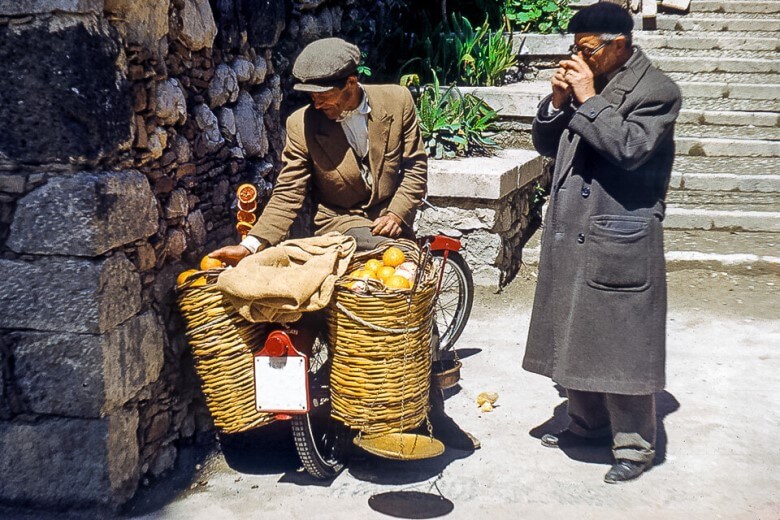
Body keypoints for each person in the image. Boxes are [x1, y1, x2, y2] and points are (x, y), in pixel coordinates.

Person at [211, 37, 479, 451]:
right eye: (310, 96)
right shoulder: (302, 124)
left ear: (351, 82)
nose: (317, 104)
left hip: (391, 221)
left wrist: (399, 212)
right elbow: (288, 192)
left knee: (412, 299)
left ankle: (435, 413)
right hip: (339, 224)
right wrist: (251, 245)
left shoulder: (397, 101)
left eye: (324, 95)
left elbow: (414, 166)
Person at [522, 3, 681, 483]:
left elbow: (630, 148)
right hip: (576, 225)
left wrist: (588, 98)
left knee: (622, 340)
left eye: (587, 48)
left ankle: (635, 444)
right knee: (576, 328)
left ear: (618, 43)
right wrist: (555, 104)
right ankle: (586, 422)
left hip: (620, 230)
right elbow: (549, 145)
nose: (579, 56)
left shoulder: (658, 90)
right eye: (575, 48)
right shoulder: (586, 83)